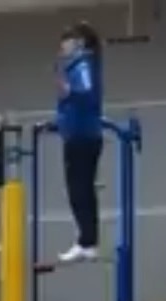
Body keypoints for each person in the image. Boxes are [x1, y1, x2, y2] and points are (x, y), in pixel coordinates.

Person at [56, 21, 105, 265]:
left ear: (78, 43)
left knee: (79, 191)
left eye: (66, 42)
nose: (62, 47)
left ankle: (86, 242)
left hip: (81, 136)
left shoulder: (82, 64)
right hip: (82, 134)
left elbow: (85, 92)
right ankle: (88, 241)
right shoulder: (83, 63)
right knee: (83, 190)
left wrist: (68, 90)